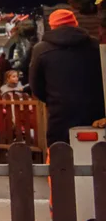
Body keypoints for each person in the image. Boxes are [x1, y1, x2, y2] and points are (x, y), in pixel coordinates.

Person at [29, 9, 105, 147]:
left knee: (61, 157)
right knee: (97, 156)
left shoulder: (41, 49)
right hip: (96, 114)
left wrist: (53, 99)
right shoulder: (94, 45)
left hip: (60, 115)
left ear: (52, 26)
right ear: (75, 23)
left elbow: (36, 86)